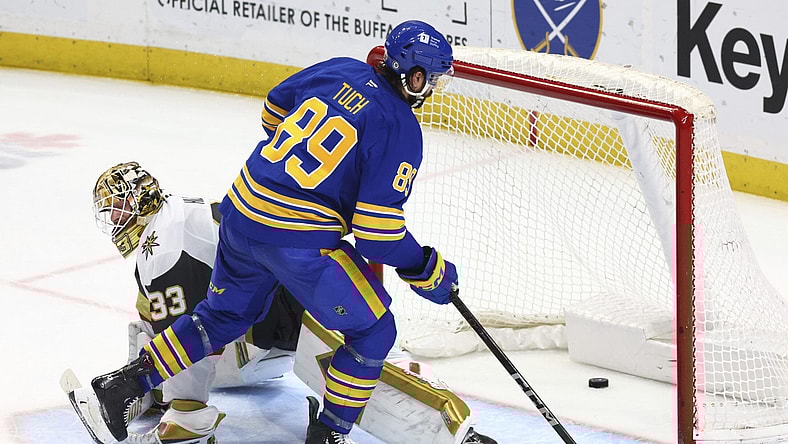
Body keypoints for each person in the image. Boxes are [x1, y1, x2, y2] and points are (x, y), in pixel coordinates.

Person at [71, 20, 496, 444]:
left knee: (219, 318)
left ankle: (121, 387)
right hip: (297, 243)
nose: (435, 88)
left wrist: (297, 178)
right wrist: (426, 268)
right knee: (375, 330)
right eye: (433, 78)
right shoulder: (401, 128)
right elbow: (376, 235)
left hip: (239, 211)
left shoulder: (340, 68)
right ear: (415, 75)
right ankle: (328, 435)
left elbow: (274, 108)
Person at [69, 161, 303, 444]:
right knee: (148, 318)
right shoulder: (171, 214)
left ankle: (188, 425)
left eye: (118, 206)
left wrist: (184, 398)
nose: (115, 217)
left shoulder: (165, 249)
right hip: (279, 307)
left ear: (138, 199)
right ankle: (146, 394)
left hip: (282, 325)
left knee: (182, 332)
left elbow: (190, 336)